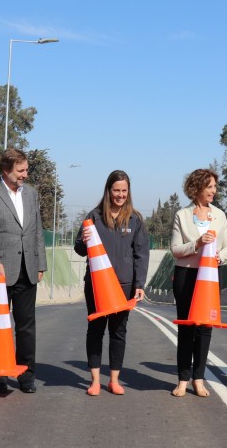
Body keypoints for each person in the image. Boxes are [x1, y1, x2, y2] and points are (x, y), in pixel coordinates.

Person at [0, 148, 47, 393]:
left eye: (26, 169)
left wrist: (41, 264)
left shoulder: (32, 195)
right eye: (20, 170)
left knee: (27, 326)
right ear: (6, 170)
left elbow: (37, 230)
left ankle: (26, 374)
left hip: (28, 269)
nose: (25, 174)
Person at [74, 170, 149, 396]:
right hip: (96, 286)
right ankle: (95, 380)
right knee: (96, 330)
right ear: (108, 191)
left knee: (119, 332)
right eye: (116, 190)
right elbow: (79, 249)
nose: (120, 195)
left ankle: (114, 379)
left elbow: (141, 254)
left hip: (124, 285)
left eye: (124, 190)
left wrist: (139, 283)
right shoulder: (95, 216)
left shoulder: (135, 219)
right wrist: (83, 241)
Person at [170, 168, 227, 397]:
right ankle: (182, 380)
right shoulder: (182, 215)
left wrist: (219, 257)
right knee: (186, 328)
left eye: (215, 187)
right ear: (196, 188)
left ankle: (199, 378)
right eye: (209, 187)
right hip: (186, 276)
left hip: (209, 278)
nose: (214, 191)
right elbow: (176, 250)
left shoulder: (220, 215)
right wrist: (196, 244)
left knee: (205, 329)